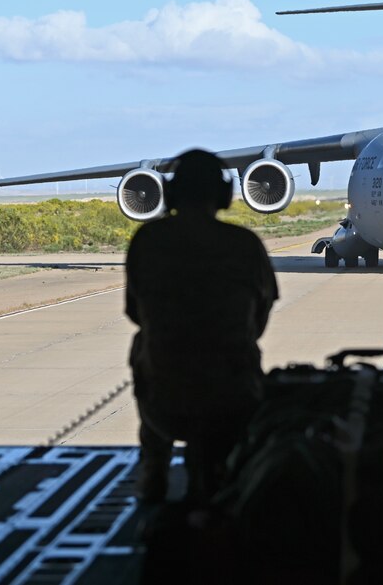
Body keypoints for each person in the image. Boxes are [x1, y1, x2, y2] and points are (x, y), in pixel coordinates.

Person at [125, 149, 278, 503]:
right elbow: (259, 319)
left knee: (142, 343)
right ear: (224, 196)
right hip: (233, 400)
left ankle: (155, 468)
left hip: (165, 405)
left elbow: (135, 313)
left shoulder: (148, 241)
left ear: (171, 193)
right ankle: (234, 473)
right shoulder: (245, 245)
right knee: (245, 346)